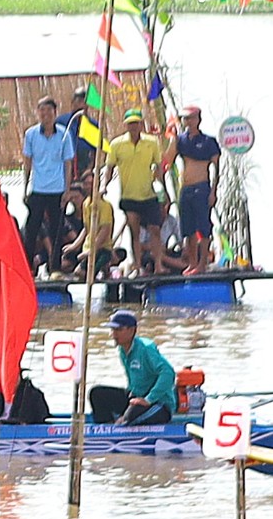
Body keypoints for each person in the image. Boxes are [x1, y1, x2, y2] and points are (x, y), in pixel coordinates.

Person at [102, 108, 166, 276]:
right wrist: (103, 186)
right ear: (126, 125)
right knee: (134, 231)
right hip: (129, 195)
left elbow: (158, 167)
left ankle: (158, 264)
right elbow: (109, 168)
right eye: (130, 124)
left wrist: (163, 189)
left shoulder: (151, 142)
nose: (134, 127)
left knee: (155, 230)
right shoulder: (117, 144)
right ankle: (137, 265)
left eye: (136, 123)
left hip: (148, 194)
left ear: (141, 124)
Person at [88, 309, 179, 425]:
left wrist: (148, 399)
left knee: (130, 417)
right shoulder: (122, 349)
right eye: (112, 330)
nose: (113, 334)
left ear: (131, 330)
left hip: (158, 404)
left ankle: (123, 423)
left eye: (118, 330)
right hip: (137, 398)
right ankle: (105, 429)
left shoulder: (146, 348)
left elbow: (168, 372)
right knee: (97, 393)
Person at [21, 95, 78, 273]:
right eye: (42, 111)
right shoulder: (31, 134)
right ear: (38, 113)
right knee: (32, 228)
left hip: (57, 189)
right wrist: (25, 188)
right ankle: (28, 267)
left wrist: (67, 190)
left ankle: (56, 269)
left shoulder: (64, 134)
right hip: (38, 188)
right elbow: (28, 162)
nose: (45, 115)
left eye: (49, 111)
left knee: (57, 230)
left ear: (55, 113)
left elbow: (68, 163)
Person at [167, 106, 222, 274]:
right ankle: (192, 263)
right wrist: (172, 139)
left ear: (198, 119)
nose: (188, 122)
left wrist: (213, 191)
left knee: (203, 228)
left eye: (191, 118)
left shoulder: (208, 142)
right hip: (186, 188)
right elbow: (168, 161)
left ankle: (202, 264)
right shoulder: (181, 140)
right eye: (185, 119)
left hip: (202, 186)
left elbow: (215, 169)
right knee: (187, 229)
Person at [73, 172, 123, 281]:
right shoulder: (86, 204)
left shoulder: (104, 205)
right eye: (86, 184)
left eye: (91, 183)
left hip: (102, 248)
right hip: (89, 247)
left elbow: (105, 231)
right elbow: (86, 228)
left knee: (89, 275)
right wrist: (74, 245)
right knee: (78, 272)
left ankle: (105, 271)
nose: (88, 186)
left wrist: (91, 251)